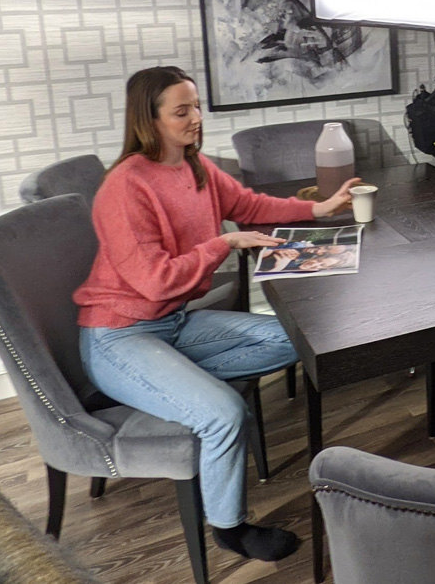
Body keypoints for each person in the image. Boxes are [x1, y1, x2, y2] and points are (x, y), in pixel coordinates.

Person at [73, 66, 360, 564]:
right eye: (181, 111)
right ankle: (229, 528)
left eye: (197, 106)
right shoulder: (125, 187)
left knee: (296, 337)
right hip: (119, 335)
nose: (196, 119)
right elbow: (155, 281)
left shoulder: (195, 166)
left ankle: (163, 381)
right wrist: (222, 242)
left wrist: (320, 209)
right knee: (225, 413)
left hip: (173, 325)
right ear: (150, 119)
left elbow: (249, 203)